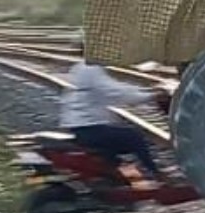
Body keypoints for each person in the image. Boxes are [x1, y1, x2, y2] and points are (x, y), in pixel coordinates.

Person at [59, 37, 171, 182]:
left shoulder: (80, 68)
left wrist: (147, 91)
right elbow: (116, 92)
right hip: (89, 128)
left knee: (116, 144)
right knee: (134, 137)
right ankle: (157, 175)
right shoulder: (91, 69)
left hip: (80, 126)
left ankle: (117, 179)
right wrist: (150, 96)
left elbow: (115, 88)